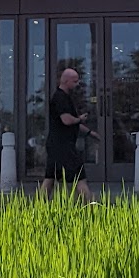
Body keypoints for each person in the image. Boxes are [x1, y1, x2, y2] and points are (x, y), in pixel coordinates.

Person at [41, 66, 91, 200]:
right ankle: (91, 205)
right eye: (75, 81)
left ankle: (40, 205)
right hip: (63, 146)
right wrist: (80, 119)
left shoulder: (64, 97)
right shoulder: (60, 98)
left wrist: (90, 133)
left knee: (50, 176)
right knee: (79, 176)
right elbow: (67, 120)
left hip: (56, 144)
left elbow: (73, 122)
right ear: (66, 81)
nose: (77, 84)